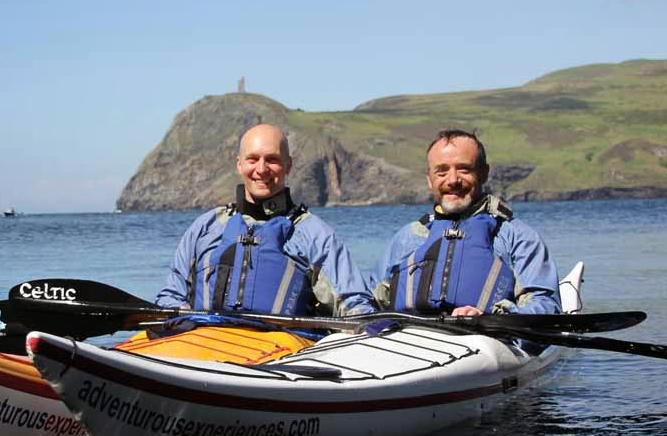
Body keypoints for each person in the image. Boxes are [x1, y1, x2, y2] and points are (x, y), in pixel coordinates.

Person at [156, 123, 378, 316]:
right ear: (239, 164)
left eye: (272, 160)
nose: (261, 169)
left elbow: (354, 305)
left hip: (280, 347)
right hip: (207, 341)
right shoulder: (206, 227)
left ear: (288, 165)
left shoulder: (314, 234)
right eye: (252, 159)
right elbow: (171, 297)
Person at [372, 129, 560, 316]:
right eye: (442, 171)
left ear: (484, 173)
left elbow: (546, 306)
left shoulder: (518, 237)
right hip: (410, 332)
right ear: (429, 179)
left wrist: (492, 318)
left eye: (464, 169)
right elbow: (372, 303)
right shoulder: (407, 237)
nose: (453, 180)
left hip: (488, 331)